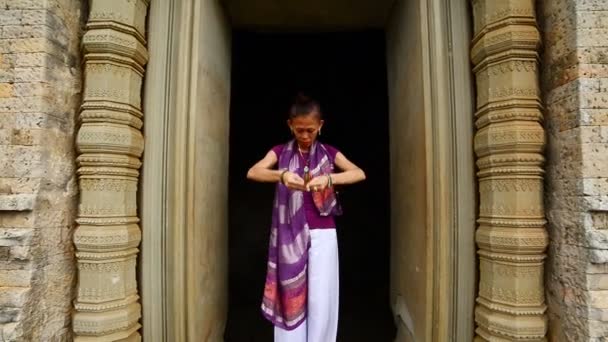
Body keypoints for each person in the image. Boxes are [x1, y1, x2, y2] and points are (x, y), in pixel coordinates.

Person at [246, 93, 366, 341]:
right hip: (290, 235)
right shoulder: (280, 152)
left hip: (324, 235)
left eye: (310, 130)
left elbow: (359, 173)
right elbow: (253, 171)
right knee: (291, 294)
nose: (304, 135)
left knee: (321, 297)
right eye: (299, 130)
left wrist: (329, 178)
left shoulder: (329, 153)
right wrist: (282, 176)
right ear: (290, 125)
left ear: (321, 125)